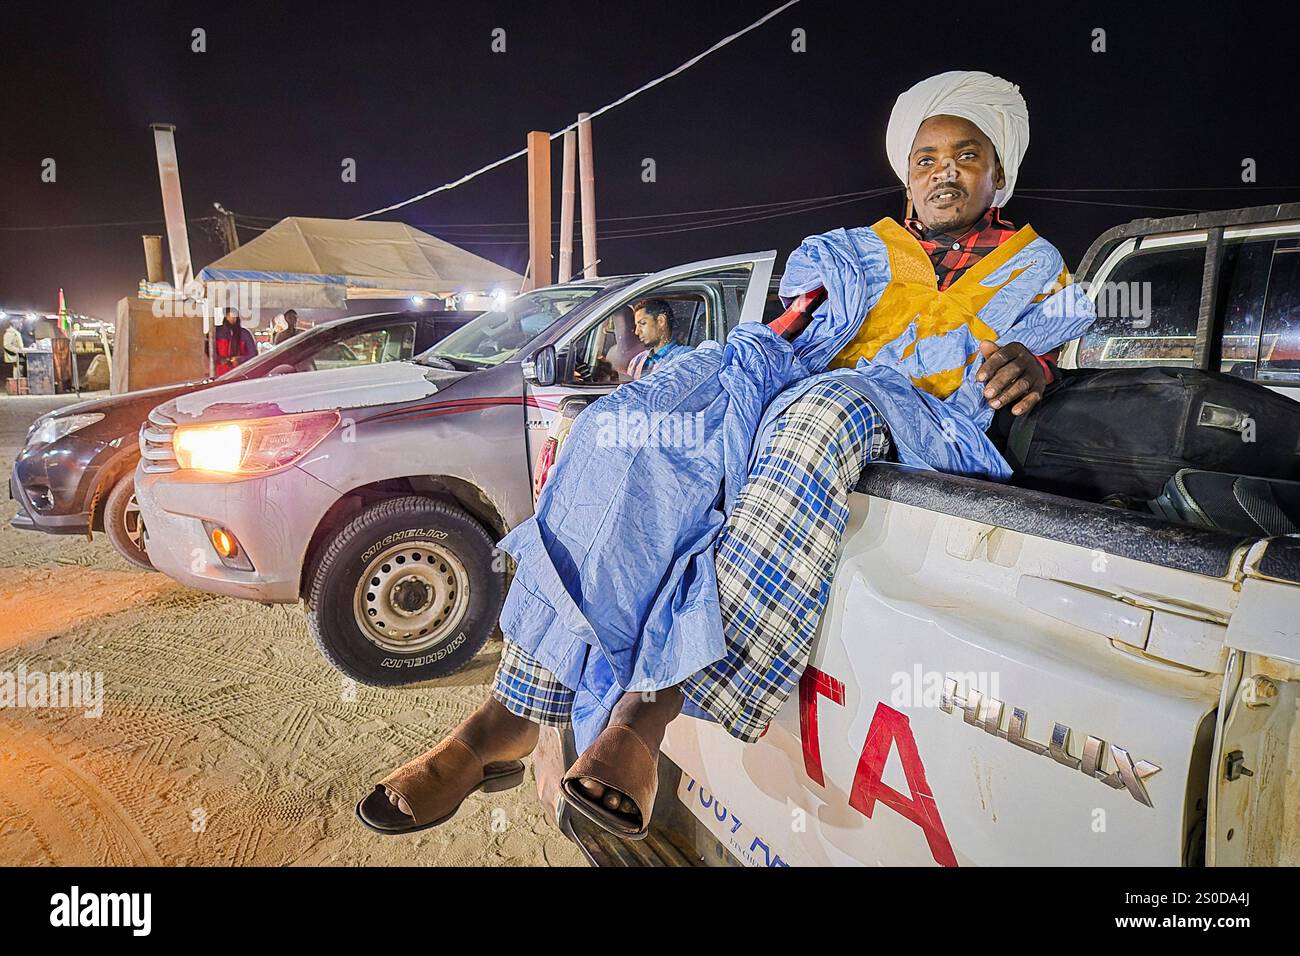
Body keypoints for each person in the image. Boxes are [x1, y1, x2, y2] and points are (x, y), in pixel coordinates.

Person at [357, 71, 1096, 839]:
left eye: (965, 155)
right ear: (906, 177)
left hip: (918, 420)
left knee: (821, 411)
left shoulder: (1040, 271)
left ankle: (646, 717)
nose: (944, 172)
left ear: (998, 173)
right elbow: (795, 329)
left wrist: (1038, 365)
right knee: (629, 421)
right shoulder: (859, 251)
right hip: (793, 383)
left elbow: (1066, 355)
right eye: (926, 158)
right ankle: (506, 716)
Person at [626, 298, 693, 379]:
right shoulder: (636, 362)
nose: (637, 332)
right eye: (636, 326)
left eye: (642, 323)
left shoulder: (685, 358)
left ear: (661, 321)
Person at [209, 308, 257, 376]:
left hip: (239, 372)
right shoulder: (216, 332)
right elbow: (208, 351)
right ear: (225, 317)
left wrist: (240, 359)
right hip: (218, 373)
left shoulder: (245, 334)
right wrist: (219, 359)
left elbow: (253, 354)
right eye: (230, 316)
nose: (232, 319)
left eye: (235, 317)